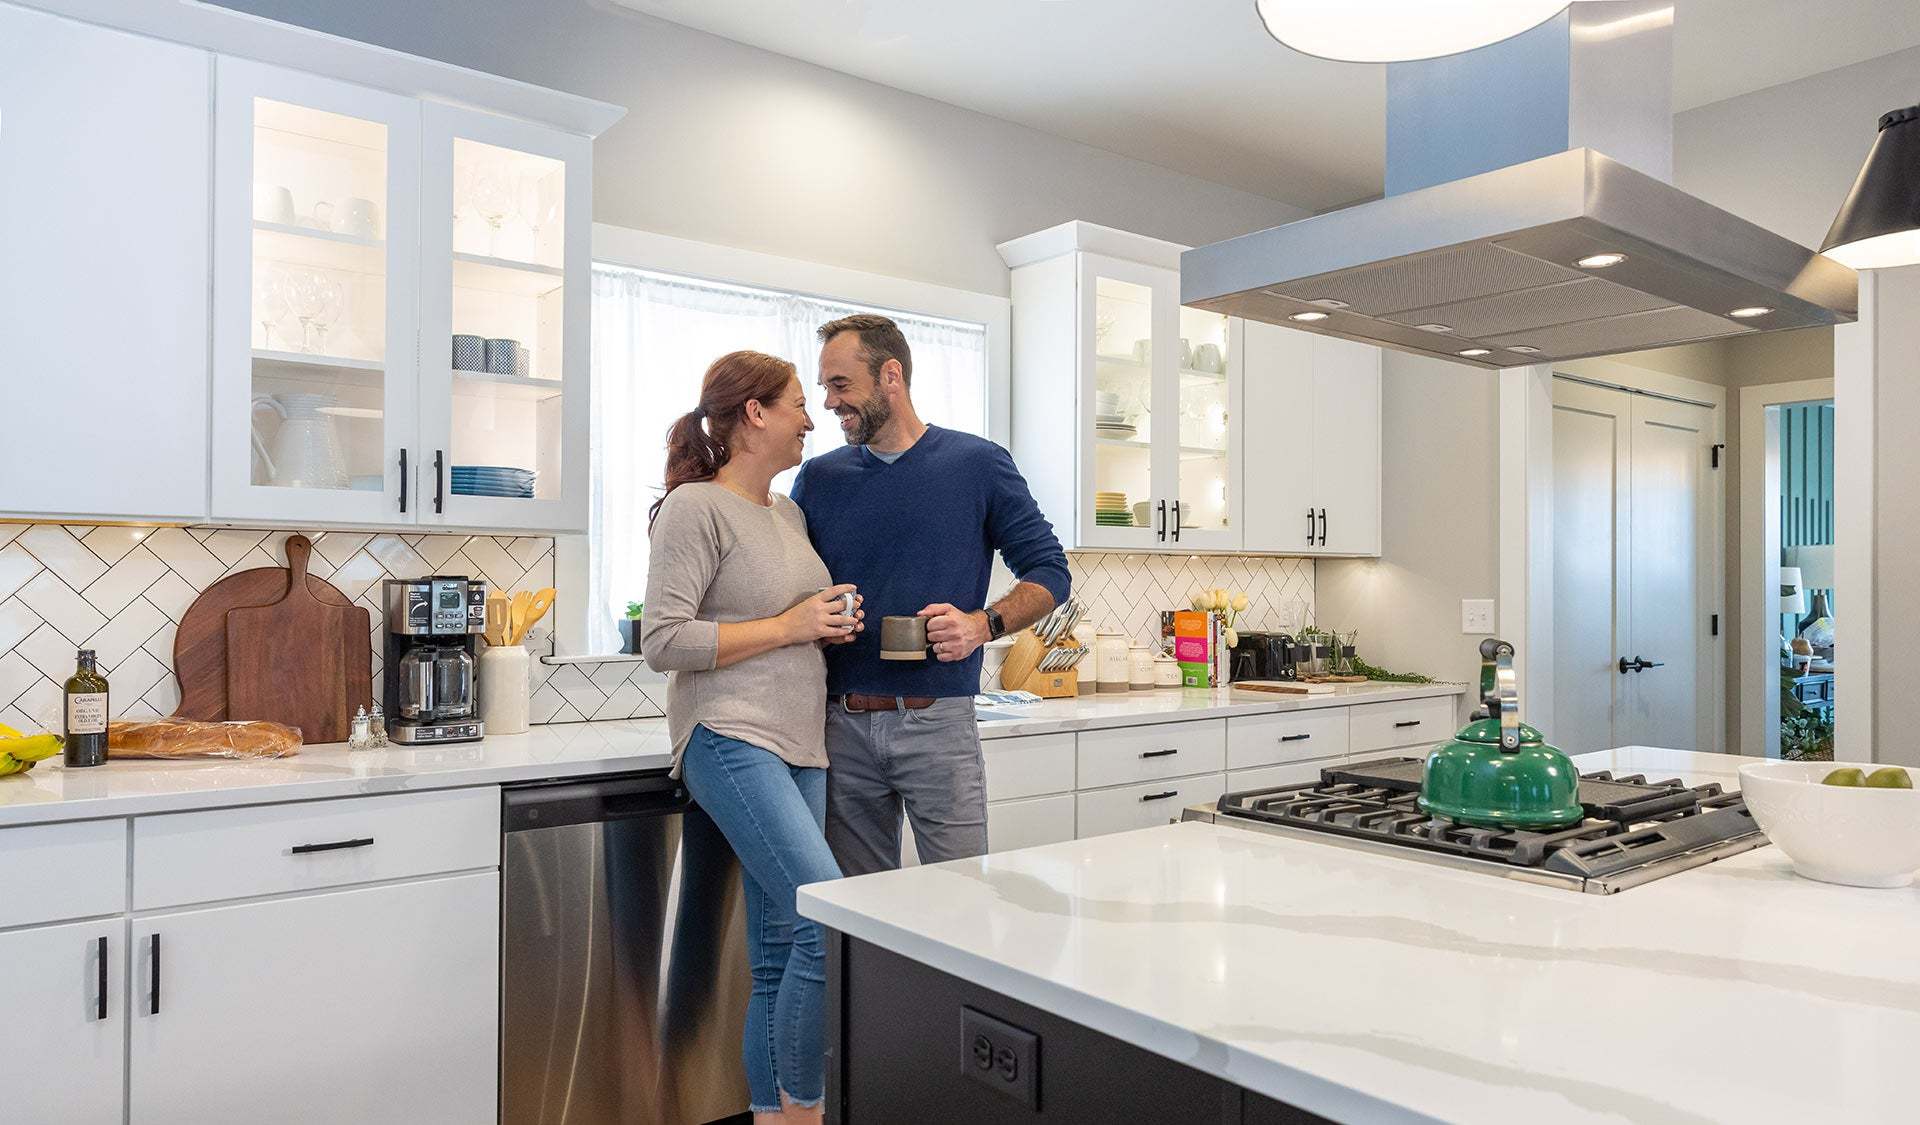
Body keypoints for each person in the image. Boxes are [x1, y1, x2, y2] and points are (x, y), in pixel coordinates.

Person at [640, 350, 863, 1124]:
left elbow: (776, 623)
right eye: (800, 403)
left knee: (777, 954)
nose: (812, 419)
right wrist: (789, 624)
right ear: (755, 413)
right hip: (728, 736)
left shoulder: (787, 512)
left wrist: (823, 623)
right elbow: (663, 639)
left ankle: (774, 1115)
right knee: (823, 920)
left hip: (801, 739)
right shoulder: (694, 508)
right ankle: (807, 1113)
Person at [791, 314, 1069, 875]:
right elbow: (790, 586)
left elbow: (1050, 572)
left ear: (890, 375)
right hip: (839, 726)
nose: (828, 404)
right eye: (824, 388)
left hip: (939, 723)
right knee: (858, 913)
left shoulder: (978, 464)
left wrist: (981, 625)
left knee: (962, 897)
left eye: (840, 386)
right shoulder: (819, 478)